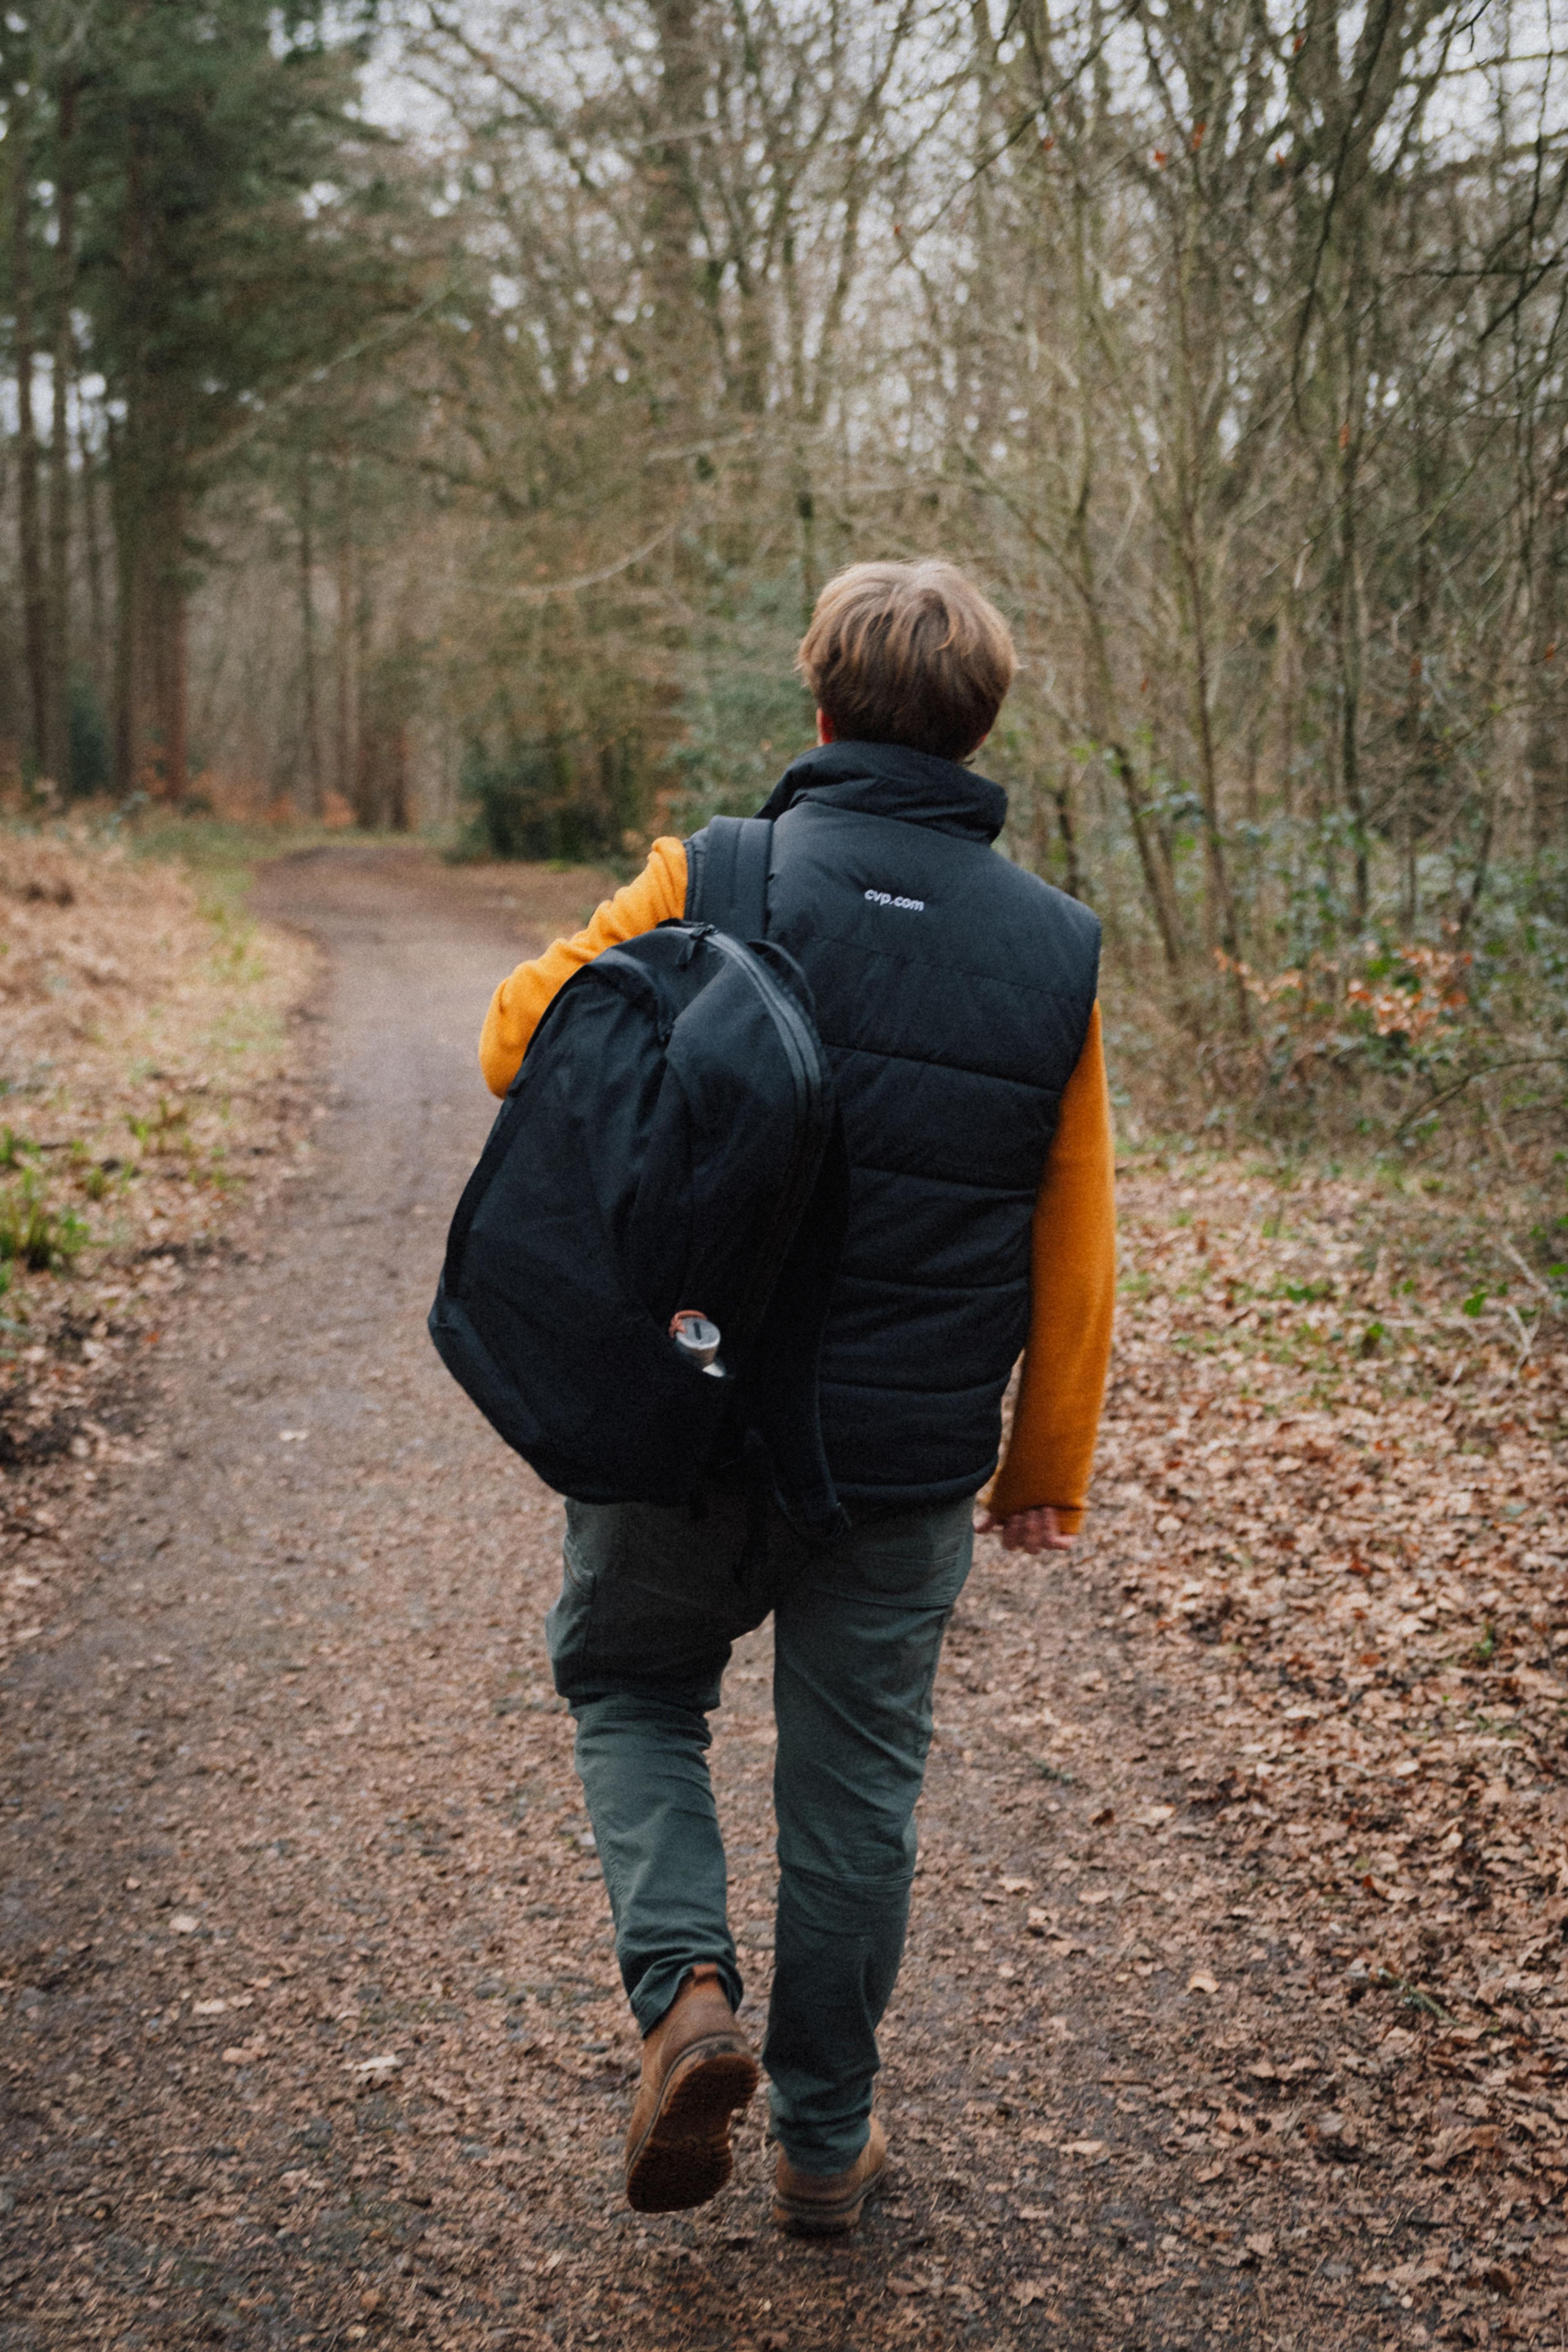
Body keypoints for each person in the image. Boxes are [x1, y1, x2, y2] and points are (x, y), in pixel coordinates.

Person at [477, 560, 1115, 2235]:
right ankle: (826, 2150)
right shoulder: (1060, 951)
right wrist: (1043, 1462)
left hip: (683, 1410)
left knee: (628, 1686)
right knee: (856, 1796)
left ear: (818, 706)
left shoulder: (717, 873)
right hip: (903, 1463)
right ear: (982, 727)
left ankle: (686, 1992)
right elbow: (1078, 1238)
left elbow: (508, 1042)